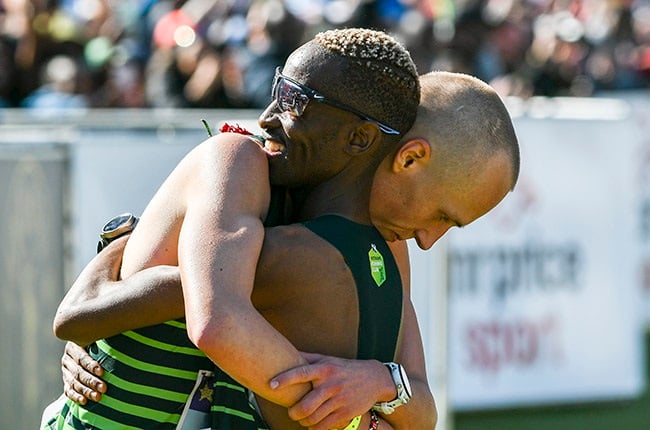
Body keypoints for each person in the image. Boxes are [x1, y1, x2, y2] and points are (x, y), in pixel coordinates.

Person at [51, 69, 519, 430]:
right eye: (443, 216)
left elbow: (422, 407)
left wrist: (381, 382)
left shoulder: (380, 243)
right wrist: (361, 415)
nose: (428, 240)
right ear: (409, 157)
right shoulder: (241, 170)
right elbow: (201, 316)